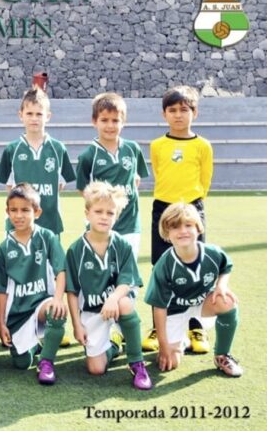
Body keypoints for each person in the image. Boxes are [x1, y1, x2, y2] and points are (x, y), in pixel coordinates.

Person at [0, 85, 75, 347]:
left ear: (48, 116)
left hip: (50, 223)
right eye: (29, 113)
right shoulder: (12, 149)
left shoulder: (58, 148)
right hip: (18, 227)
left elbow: (61, 184)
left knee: (51, 275)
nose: (34, 118)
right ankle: (17, 321)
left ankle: (51, 325)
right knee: (19, 276)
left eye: (39, 114)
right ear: (21, 115)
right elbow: (10, 189)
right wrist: (21, 213)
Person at [144, 86, 214, 353]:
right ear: (164, 114)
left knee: (195, 267)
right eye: (172, 110)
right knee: (160, 267)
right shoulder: (157, 145)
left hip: (192, 209)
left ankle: (196, 326)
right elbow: (159, 173)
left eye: (184, 110)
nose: (178, 115)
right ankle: (157, 326)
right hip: (163, 209)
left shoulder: (202, 146)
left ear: (194, 113)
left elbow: (205, 180)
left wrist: (190, 207)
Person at [65, 181, 152, 390]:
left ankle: (137, 362)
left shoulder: (122, 244)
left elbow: (127, 281)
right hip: (92, 312)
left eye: (110, 213)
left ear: (116, 216)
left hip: (116, 305)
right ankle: (114, 345)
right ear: (87, 214)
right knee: (96, 369)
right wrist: (77, 325)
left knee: (125, 303)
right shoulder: (76, 250)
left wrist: (113, 298)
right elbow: (72, 291)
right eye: (98, 211)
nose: (104, 217)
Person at [144, 203, 242, 377]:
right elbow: (159, 308)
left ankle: (222, 355)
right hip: (174, 311)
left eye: (188, 225)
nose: (183, 231)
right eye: (175, 227)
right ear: (167, 233)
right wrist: (164, 346)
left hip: (202, 304)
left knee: (226, 301)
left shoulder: (212, 253)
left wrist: (221, 285)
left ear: (198, 228)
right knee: (170, 363)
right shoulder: (164, 265)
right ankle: (180, 341)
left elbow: (225, 267)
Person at [0, 183, 67, 385]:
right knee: (21, 363)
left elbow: (61, 271)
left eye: (25, 210)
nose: (19, 215)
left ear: (37, 212)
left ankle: (46, 363)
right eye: (14, 210)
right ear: (7, 212)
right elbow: (0, 289)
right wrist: (1, 323)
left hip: (42, 304)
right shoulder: (4, 248)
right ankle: (34, 344)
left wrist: (58, 299)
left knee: (56, 311)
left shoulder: (47, 237)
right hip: (18, 314)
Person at [75, 92, 149, 258]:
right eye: (104, 120)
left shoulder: (133, 149)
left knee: (127, 269)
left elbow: (136, 178)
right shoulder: (88, 156)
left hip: (130, 225)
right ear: (94, 121)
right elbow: (83, 190)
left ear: (123, 122)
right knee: (101, 269)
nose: (110, 125)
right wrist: (103, 206)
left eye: (115, 120)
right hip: (100, 225)